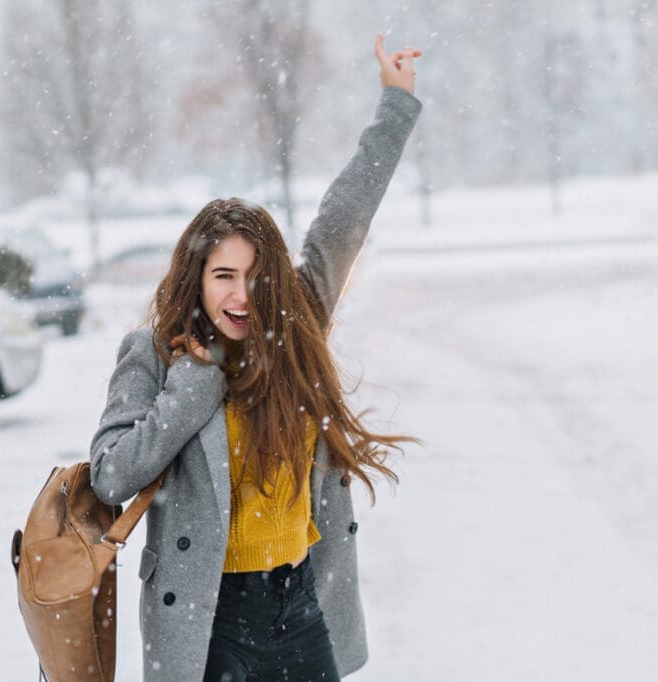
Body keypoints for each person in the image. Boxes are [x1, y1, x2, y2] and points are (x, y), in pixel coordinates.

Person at [90, 34, 422, 682]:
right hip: (206, 619)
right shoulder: (157, 355)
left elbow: (346, 213)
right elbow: (110, 475)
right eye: (222, 276)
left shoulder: (295, 325)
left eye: (254, 275)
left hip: (297, 605)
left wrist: (396, 102)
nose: (241, 294)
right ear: (197, 275)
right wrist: (190, 387)